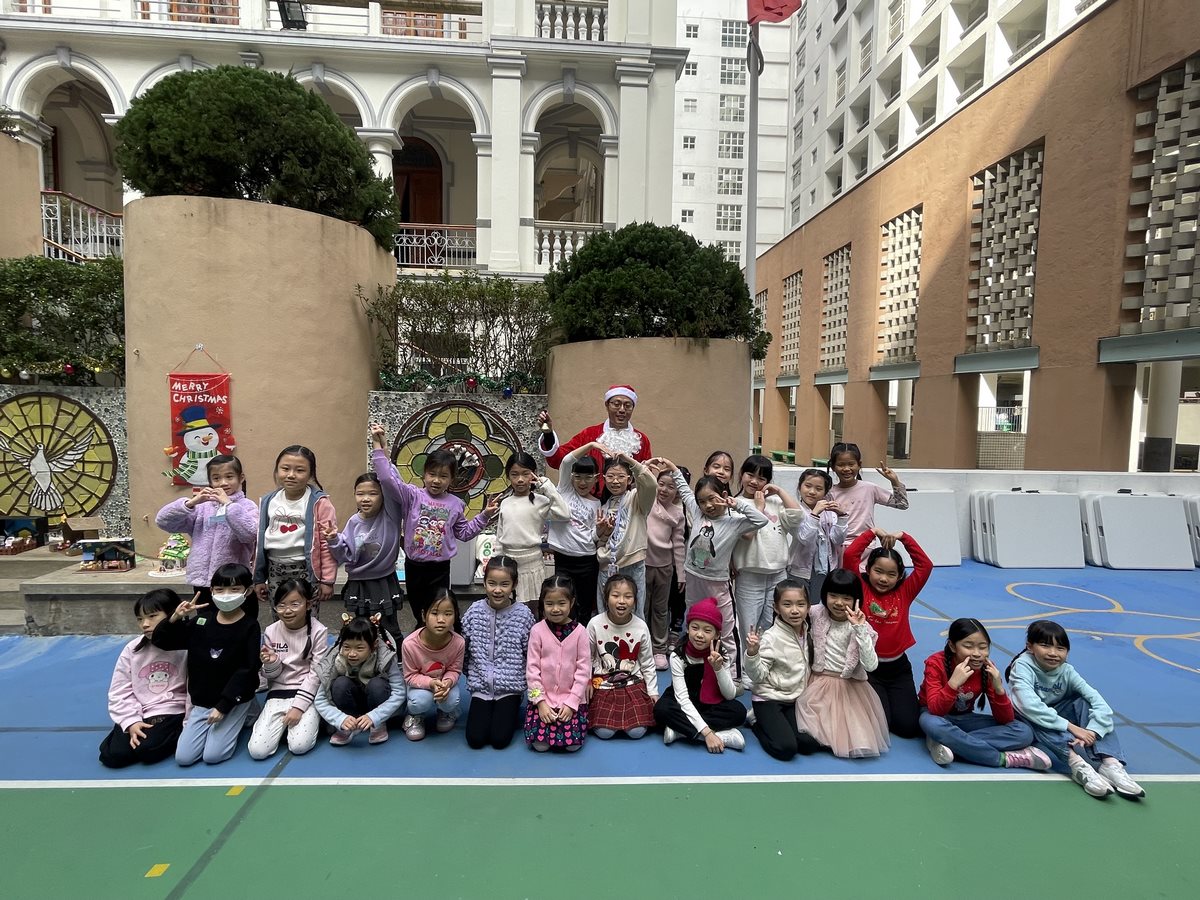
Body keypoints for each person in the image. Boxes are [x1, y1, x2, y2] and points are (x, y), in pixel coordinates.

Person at [653, 457, 769, 673]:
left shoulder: (734, 522)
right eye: (702, 501)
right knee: (694, 621)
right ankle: (695, 663)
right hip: (693, 578)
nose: (707, 505)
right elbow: (685, 492)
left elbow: (761, 521)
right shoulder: (698, 513)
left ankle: (733, 673)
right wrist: (673, 468)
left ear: (724, 495)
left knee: (726, 627)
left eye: (712, 499)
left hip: (718, 583)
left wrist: (736, 504)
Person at [1007, 620, 1145, 799]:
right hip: (1026, 719)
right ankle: (1077, 765)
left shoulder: (1067, 671)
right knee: (1034, 715)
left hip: (1055, 714)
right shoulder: (1022, 666)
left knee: (1084, 703)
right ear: (1030, 646)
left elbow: (1098, 702)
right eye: (1045, 646)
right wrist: (1072, 728)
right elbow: (1029, 706)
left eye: (1060, 648)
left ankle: (1110, 764)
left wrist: (1094, 730)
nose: (1053, 653)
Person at [152, 563, 261, 766]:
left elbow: (248, 669)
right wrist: (174, 618)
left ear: (247, 591)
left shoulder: (250, 626)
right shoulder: (201, 621)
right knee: (184, 758)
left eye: (234, 589)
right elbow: (163, 642)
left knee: (213, 756)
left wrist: (224, 706)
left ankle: (248, 709)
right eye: (220, 589)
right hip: (203, 700)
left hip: (232, 700)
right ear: (211, 591)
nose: (226, 595)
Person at [918, 618, 1049, 771]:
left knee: (1023, 732)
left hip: (965, 719)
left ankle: (948, 743)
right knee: (930, 723)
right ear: (952, 646)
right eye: (968, 646)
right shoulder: (936, 663)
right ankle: (1003, 758)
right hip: (938, 717)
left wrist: (999, 690)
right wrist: (953, 684)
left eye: (983, 647)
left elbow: (1005, 719)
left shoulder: (987, 668)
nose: (977, 654)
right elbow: (935, 710)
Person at [844, 527, 932, 739]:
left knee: (907, 728)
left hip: (898, 669)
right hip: (869, 669)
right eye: (878, 571)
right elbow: (849, 556)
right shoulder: (860, 589)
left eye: (891, 574)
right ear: (868, 570)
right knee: (882, 722)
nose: (884, 579)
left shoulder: (905, 592)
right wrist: (873, 532)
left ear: (900, 576)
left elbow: (925, 565)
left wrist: (904, 537)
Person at [393, 448, 499, 623]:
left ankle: (443, 636)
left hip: (439, 569)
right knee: (419, 611)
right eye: (432, 474)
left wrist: (485, 515)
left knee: (439, 609)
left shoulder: (455, 504)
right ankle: (421, 634)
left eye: (443, 476)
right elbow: (388, 480)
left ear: (451, 479)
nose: (436, 480)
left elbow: (464, 533)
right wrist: (380, 449)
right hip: (414, 566)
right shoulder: (413, 496)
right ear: (424, 474)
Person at [793, 570, 890, 759]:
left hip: (849, 686)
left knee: (852, 735)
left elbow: (871, 666)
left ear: (856, 599)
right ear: (824, 595)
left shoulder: (862, 627)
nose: (838, 602)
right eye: (833, 595)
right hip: (818, 682)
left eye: (846, 598)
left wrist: (860, 629)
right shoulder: (815, 613)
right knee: (810, 732)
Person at [324, 424, 405, 643]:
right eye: (360, 494)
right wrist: (333, 540)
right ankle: (362, 659)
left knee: (388, 628)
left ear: (383, 495)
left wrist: (380, 447)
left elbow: (390, 481)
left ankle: (395, 660)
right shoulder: (353, 522)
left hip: (383, 581)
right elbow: (346, 556)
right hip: (358, 583)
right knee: (361, 629)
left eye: (372, 493)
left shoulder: (390, 513)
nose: (366, 498)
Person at [732, 454, 806, 688]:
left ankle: (768, 664)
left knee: (772, 622)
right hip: (750, 573)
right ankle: (748, 670)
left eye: (762, 478)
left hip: (777, 573)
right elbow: (747, 534)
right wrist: (759, 508)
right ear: (741, 475)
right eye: (750, 475)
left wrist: (780, 492)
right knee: (749, 624)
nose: (754, 481)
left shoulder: (776, 502)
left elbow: (797, 517)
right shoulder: (735, 504)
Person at [99, 589, 188, 768]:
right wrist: (131, 721)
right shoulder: (132, 649)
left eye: (152, 616)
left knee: (148, 750)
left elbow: (196, 690)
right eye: (140, 619)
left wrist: (189, 724)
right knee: (113, 756)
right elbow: (119, 690)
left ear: (173, 614)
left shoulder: (187, 646)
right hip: (140, 710)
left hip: (171, 711)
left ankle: (173, 732)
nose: (145, 624)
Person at [155, 454, 257, 604]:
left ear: (240, 478)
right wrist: (190, 503)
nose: (223, 483)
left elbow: (249, 534)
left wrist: (229, 506)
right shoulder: (201, 508)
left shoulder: (247, 507)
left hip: (234, 580)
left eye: (229, 477)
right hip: (201, 581)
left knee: (234, 617)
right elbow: (163, 521)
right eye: (216, 478)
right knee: (204, 617)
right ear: (210, 481)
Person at [744, 580, 825, 762]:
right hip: (769, 699)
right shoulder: (771, 638)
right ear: (776, 608)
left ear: (808, 607)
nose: (794, 610)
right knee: (786, 749)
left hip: (793, 699)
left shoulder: (807, 631)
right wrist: (752, 653)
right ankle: (756, 722)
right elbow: (757, 676)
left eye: (800, 604)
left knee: (809, 745)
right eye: (787, 604)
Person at [248, 579, 328, 760]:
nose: (287, 610)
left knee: (299, 746)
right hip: (278, 693)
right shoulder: (271, 631)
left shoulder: (318, 631)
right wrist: (271, 663)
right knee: (257, 751)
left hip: (307, 693)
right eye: (281, 605)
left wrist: (298, 708)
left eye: (295, 604)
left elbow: (316, 674)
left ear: (308, 605)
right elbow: (271, 676)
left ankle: (315, 719)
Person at [461, 555, 535, 750]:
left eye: (504, 584)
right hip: (480, 687)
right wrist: (473, 675)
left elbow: (531, 655)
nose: (497, 590)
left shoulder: (523, 615)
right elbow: (463, 649)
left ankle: (513, 702)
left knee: (499, 739)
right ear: (484, 583)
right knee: (475, 739)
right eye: (492, 583)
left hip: (510, 687)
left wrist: (525, 684)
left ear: (514, 585)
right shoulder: (474, 612)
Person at [654, 597, 746, 752]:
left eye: (707, 630)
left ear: (717, 635)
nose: (699, 635)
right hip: (683, 700)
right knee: (661, 710)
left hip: (709, 701)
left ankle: (680, 732)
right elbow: (682, 699)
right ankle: (718, 736)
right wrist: (707, 733)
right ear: (687, 628)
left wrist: (718, 669)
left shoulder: (722, 653)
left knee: (739, 712)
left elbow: (729, 695)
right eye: (695, 628)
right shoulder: (678, 656)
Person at [253, 445, 337, 614]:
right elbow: (259, 541)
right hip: (275, 568)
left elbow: (326, 543)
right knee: (281, 613)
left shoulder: (319, 503)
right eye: (285, 469)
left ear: (311, 474)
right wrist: (259, 578)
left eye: (300, 470)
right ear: (277, 470)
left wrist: (327, 580)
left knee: (306, 615)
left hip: (305, 569)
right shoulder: (269, 501)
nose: (291, 475)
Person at [314, 614, 406, 746]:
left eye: (359, 648)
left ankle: (379, 724)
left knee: (377, 684)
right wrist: (340, 719)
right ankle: (350, 724)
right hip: (352, 703)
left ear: (374, 645)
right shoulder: (335, 659)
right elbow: (320, 699)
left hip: (378, 704)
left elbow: (399, 693)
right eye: (347, 647)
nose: (352, 653)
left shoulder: (386, 657)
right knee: (340, 684)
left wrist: (376, 716)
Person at [492, 452, 569, 609]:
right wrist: (496, 562)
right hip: (509, 562)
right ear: (508, 476)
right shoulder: (505, 502)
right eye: (514, 474)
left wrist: (546, 486)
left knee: (534, 606)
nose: (520, 479)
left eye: (525, 474)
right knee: (509, 606)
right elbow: (500, 536)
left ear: (534, 474)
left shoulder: (541, 501)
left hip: (532, 563)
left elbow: (564, 514)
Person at [587, 574, 658, 741]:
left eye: (628, 596)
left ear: (635, 600)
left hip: (633, 682)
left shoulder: (641, 626)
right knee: (604, 733)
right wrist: (587, 681)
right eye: (615, 595)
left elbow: (647, 663)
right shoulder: (594, 624)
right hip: (603, 683)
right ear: (606, 598)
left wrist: (653, 691)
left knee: (637, 732)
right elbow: (585, 658)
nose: (621, 601)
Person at [524, 575, 591, 752]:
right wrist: (540, 702)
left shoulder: (581, 632)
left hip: (571, 700)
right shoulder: (537, 631)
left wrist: (571, 703)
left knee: (572, 745)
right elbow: (532, 670)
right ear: (543, 603)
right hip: (544, 699)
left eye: (561, 603)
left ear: (572, 602)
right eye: (549, 604)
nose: (555, 609)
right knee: (540, 745)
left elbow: (583, 671)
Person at [537, 385, 653, 480]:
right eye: (616, 404)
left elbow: (646, 478)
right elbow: (560, 460)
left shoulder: (641, 440)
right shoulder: (589, 434)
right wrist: (548, 433)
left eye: (627, 406)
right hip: (592, 500)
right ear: (607, 405)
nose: (622, 410)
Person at [595, 448, 657, 618]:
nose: (615, 481)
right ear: (604, 478)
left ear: (629, 479)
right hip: (607, 565)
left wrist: (630, 461)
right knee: (606, 612)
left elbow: (651, 484)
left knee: (635, 613)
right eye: (610, 476)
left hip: (633, 563)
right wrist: (602, 533)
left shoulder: (637, 499)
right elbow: (598, 541)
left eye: (621, 476)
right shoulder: (603, 506)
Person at [401, 588, 465, 741]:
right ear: (424, 615)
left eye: (448, 614)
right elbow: (410, 676)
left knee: (451, 700)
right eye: (435, 613)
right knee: (420, 700)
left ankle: (446, 712)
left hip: (444, 684)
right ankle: (415, 716)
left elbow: (454, 670)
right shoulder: (409, 644)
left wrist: (447, 683)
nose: (441, 620)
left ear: (455, 616)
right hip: (420, 686)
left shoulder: (459, 642)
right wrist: (430, 683)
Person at [548, 445, 603, 624]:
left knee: (584, 605)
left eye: (588, 477)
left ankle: (583, 636)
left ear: (596, 478)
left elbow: (593, 536)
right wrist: (591, 445)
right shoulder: (565, 490)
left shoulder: (597, 504)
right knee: (563, 600)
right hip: (563, 559)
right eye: (578, 476)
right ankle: (563, 635)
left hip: (587, 560)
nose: (583, 482)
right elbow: (566, 461)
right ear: (571, 477)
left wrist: (600, 531)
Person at [826, 442, 907, 551]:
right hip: (836, 548)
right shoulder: (828, 493)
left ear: (859, 465)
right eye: (841, 465)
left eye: (851, 464)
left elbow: (902, 504)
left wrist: (894, 481)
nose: (846, 469)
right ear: (833, 467)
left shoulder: (869, 488)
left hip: (865, 547)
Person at [787, 468, 847, 606]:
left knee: (817, 607)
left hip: (825, 569)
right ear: (800, 487)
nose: (812, 492)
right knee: (799, 606)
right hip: (799, 569)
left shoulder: (829, 512)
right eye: (808, 486)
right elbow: (805, 538)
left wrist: (842, 517)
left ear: (825, 492)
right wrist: (815, 514)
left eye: (819, 488)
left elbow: (837, 540)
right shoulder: (795, 511)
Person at [645, 468, 685, 669]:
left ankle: (659, 649)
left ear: (678, 491)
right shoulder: (648, 502)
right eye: (661, 484)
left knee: (660, 610)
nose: (664, 489)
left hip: (665, 568)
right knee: (642, 607)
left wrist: (681, 574)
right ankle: (642, 648)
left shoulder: (678, 513)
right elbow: (642, 476)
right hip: (642, 564)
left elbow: (679, 544)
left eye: (671, 486)